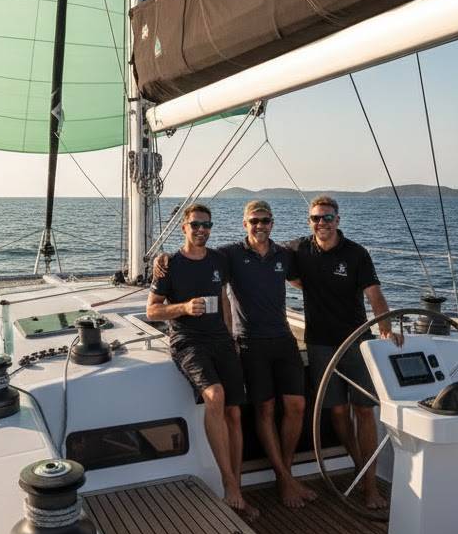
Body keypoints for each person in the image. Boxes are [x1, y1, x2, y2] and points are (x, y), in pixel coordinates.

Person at [155, 200, 315, 509]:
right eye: (254, 221)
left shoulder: (282, 255)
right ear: (245, 224)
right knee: (262, 408)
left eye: (265, 220)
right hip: (249, 342)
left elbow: (308, 267)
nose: (260, 225)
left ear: (272, 223)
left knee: (295, 405)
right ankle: (280, 480)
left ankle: (283, 474)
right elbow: (189, 264)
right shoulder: (229, 254)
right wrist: (162, 259)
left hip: (280, 338)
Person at [288, 195, 398, 511]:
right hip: (320, 342)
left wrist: (387, 327)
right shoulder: (299, 249)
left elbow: (374, 293)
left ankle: (370, 484)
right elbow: (265, 253)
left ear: (338, 219)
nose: (321, 223)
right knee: (337, 412)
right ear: (309, 222)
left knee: (363, 411)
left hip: (356, 341)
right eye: (315, 218)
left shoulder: (356, 254)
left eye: (327, 217)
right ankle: (360, 467)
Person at [146, 203, 255, 517]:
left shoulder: (220, 259)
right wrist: (183, 307)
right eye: (195, 225)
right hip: (187, 341)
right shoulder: (169, 265)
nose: (201, 230)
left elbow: (222, 297)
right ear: (184, 228)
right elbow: (153, 310)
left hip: (221, 340)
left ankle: (238, 486)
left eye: (206, 225)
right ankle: (228, 484)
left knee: (234, 413)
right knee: (215, 395)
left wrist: (231, 337)